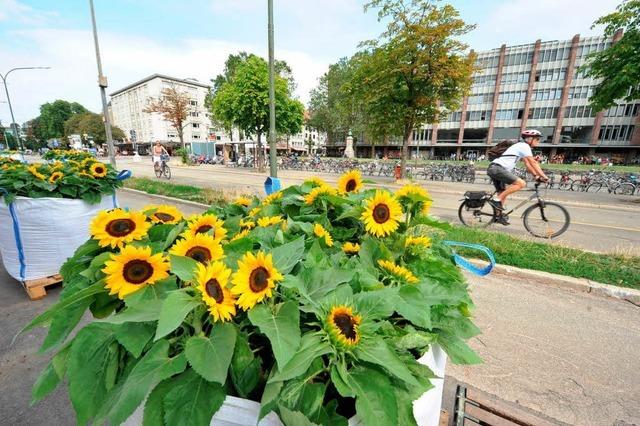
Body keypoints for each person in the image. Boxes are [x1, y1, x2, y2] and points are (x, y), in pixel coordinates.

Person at [486, 129, 549, 224]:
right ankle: (496, 200)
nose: (538, 141)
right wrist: (544, 176)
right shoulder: (523, 146)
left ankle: (497, 216)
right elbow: (533, 162)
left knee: (502, 193)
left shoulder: (521, 147)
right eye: (537, 139)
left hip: (496, 169)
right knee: (521, 183)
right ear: (529, 139)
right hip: (497, 168)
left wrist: (536, 176)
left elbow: (528, 164)